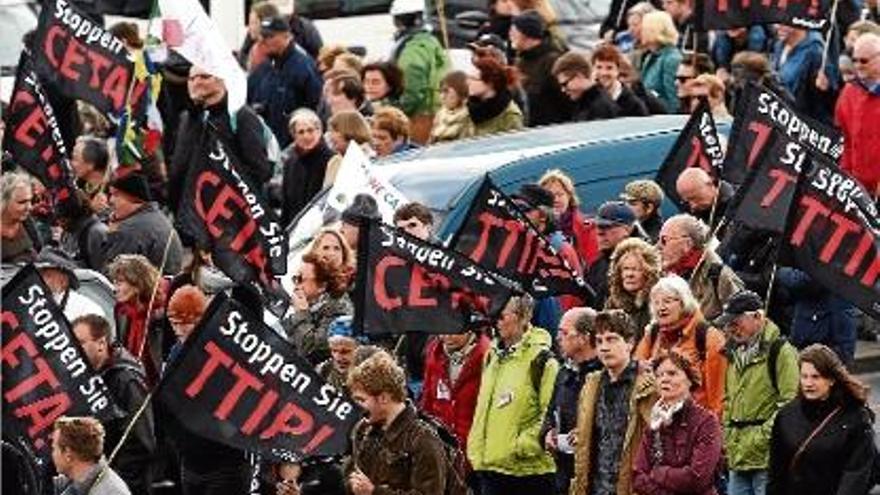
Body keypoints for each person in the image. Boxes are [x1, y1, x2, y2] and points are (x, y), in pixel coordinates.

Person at [162, 286, 251, 495]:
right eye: (175, 324)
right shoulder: (176, 352)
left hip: (224, 463)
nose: (180, 330)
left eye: (187, 324)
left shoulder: (225, 353)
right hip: (191, 462)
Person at [467, 295, 559, 495]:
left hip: (529, 475)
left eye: (501, 316)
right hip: (490, 470)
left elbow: (551, 415)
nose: (495, 322)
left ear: (523, 317)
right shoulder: (492, 355)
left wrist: (522, 445)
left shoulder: (542, 360)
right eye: (493, 316)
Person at [713, 290, 799, 495]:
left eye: (736, 321)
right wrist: (728, 434)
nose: (730, 328)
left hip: (767, 459)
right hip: (738, 457)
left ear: (758, 317)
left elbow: (790, 402)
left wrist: (761, 437)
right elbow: (727, 399)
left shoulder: (781, 351)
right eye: (728, 322)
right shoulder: (732, 353)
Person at [767, 344, 876, 495]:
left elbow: (856, 473)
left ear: (831, 379)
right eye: (804, 376)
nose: (808, 383)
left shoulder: (854, 418)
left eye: (815, 377)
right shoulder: (786, 416)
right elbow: (776, 472)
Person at [570, 309, 658, 495]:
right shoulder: (591, 383)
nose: (604, 347)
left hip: (632, 486)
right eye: (600, 341)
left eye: (612, 339)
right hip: (594, 486)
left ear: (630, 343)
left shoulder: (649, 386)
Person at [170, 65, 275, 214]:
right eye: (191, 78)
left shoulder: (241, 116)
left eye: (204, 77)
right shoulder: (188, 118)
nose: (196, 82)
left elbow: (259, 170)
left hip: (230, 215)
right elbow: (178, 166)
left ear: (222, 80)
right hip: (192, 214)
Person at [72, 314, 156, 495]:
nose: (74, 349)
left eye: (80, 342)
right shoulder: (87, 375)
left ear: (101, 344)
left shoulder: (127, 380)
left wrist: (112, 484)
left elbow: (141, 442)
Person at [347, 351, 448, 495]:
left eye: (361, 400)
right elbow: (352, 476)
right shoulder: (362, 430)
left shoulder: (423, 439)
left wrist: (375, 492)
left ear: (383, 398)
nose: (356, 406)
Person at [634, 275, 727, 417]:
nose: (661, 307)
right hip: (657, 424)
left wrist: (709, 432)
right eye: (656, 303)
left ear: (684, 303)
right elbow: (635, 370)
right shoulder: (652, 335)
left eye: (667, 301)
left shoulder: (710, 338)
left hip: (695, 427)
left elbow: (718, 399)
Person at [633, 352, 723, 495]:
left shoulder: (706, 421)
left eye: (672, 373)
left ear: (689, 380)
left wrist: (658, 473)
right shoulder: (655, 423)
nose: (664, 379)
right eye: (659, 375)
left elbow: (697, 478)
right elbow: (638, 477)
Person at [539, 308, 602, 495]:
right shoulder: (564, 372)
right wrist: (547, 434)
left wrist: (585, 435)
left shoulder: (605, 375)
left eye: (564, 333)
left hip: (594, 478)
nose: (558, 338)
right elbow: (550, 413)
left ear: (584, 337)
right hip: (562, 475)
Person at [420, 328, 491, 470]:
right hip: (441, 455)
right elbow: (427, 404)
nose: (446, 335)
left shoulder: (488, 357)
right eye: (442, 328)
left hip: (476, 457)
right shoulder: (434, 354)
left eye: (453, 330)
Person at [247, 15, 323, 148]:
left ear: (287, 36)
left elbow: (317, 108)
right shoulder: (262, 69)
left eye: (269, 36)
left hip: (295, 148)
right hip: (266, 146)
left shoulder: (304, 67)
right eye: (262, 36)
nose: (263, 41)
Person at [658, 214, 744, 320]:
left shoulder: (718, 275)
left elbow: (742, 320)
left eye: (664, 240)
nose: (658, 247)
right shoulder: (662, 277)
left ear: (687, 244)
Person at [389, 0, 450, 143]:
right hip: (436, 112)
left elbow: (413, 92)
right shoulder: (430, 41)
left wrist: (396, 112)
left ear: (398, 20)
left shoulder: (413, 50)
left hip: (419, 118)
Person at [103, 173, 183, 275]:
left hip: (149, 289)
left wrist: (111, 235)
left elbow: (111, 276)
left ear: (134, 199)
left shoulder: (130, 229)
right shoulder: (158, 218)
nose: (111, 200)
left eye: (116, 195)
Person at [282, 252, 353, 366]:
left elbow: (312, 349)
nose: (296, 285)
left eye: (301, 279)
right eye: (295, 278)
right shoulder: (312, 305)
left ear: (322, 286)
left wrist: (301, 313)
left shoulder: (339, 310)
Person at [776, 268, 858, 365]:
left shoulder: (826, 258)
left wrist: (781, 272)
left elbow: (807, 281)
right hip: (833, 328)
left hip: (823, 331)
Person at [107, 254, 165, 385]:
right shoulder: (121, 311)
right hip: (135, 382)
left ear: (137, 284)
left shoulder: (161, 314)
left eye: (119, 283)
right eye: (114, 282)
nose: (114, 289)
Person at [835, 32, 880, 197]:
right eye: (855, 60)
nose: (858, 65)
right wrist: (845, 177)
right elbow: (847, 140)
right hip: (858, 188)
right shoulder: (848, 93)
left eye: (864, 61)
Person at [510, 10, 571, 126]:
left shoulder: (553, 62)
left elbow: (567, 102)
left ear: (526, 34)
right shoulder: (521, 59)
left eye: (514, 31)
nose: (510, 34)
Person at [281, 108, 336, 226]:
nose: (306, 136)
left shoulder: (331, 160)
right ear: (294, 136)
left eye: (310, 130)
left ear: (320, 131)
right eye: (301, 132)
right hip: (294, 228)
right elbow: (286, 205)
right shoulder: (290, 163)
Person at [51, 416, 132, 495]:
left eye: (54, 448)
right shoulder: (72, 485)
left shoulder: (111, 491)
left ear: (68, 454)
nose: (53, 455)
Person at [772, 25, 835, 124]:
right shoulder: (779, 45)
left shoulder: (816, 52)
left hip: (803, 123)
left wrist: (824, 90)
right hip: (783, 118)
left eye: (783, 23)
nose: (777, 27)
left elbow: (826, 100)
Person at [586, 201, 641, 308]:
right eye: (597, 226)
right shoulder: (596, 266)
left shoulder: (644, 263)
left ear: (627, 230)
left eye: (606, 226)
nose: (599, 232)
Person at [605, 238, 662, 341]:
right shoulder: (612, 304)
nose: (629, 274)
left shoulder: (659, 303)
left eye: (636, 269)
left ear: (648, 273)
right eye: (626, 269)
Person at [36, 249, 107, 322]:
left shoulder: (87, 309)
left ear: (64, 279)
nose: (42, 280)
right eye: (39, 275)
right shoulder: (37, 307)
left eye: (48, 276)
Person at [552, 51, 620, 122]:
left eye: (565, 84)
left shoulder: (599, 109)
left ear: (579, 76)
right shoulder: (587, 102)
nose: (563, 90)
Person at [467, 57, 524, 136]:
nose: (468, 82)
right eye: (468, 78)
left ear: (490, 83)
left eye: (473, 79)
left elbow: (515, 145)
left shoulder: (510, 115)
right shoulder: (469, 106)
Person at [639, 11, 683, 113]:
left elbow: (674, 101)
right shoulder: (650, 57)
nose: (640, 31)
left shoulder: (671, 60)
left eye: (644, 28)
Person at [592, 44, 650, 117]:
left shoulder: (633, 104)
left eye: (609, 68)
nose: (604, 73)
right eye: (599, 67)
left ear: (618, 70)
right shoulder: (586, 98)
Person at [323, 111, 373, 186]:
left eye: (335, 131)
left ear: (349, 130)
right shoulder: (335, 161)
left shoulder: (369, 159)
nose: (331, 136)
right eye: (330, 131)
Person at [1, 171, 40, 264]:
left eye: (30, 201)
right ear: (4, 201)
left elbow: (38, 248)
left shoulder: (26, 221)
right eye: (22, 202)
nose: (29, 207)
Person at [316, 316, 360, 392]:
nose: (337, 357)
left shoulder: (376, 375)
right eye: (334, 351)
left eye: (345, 352)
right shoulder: (323, 371)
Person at [430, 71, 475, 143]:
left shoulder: (467, 118)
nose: (442, 96)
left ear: (461, 93)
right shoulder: (441, 114)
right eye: (440, 91)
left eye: (446, 91)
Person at [70, 136, 111, 213]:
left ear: (90, 165)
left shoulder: (113, 192)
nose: (71, 163)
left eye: (75, 158)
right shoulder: (77, 185)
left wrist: (91, 212)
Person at [238, 1, 280, 71]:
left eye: (253, 22)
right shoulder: (253, 39)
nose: (249, 27)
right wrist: (249, 64)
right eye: (250, 22)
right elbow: (242, 55)